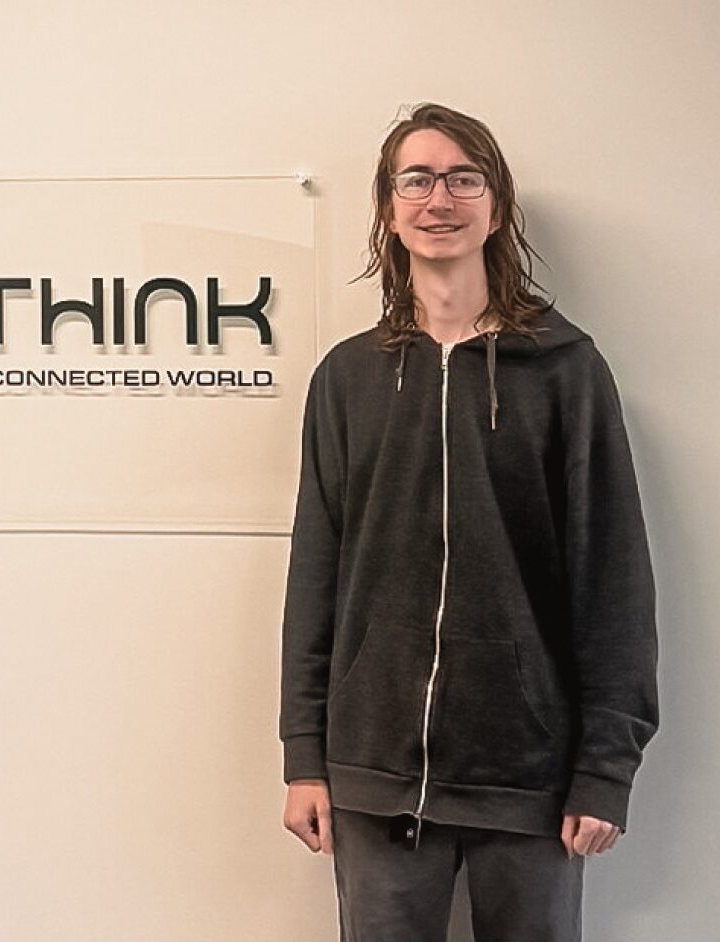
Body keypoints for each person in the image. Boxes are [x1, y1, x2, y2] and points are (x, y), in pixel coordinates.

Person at [278, 103, 659, 942]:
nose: (439, 199)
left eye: (463, 178)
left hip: (530, 779)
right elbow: (316, 576)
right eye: (416, 180)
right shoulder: (347, 379)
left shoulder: (566, 372)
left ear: (495, 207)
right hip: (373, 777)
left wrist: (605, 767)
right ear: (388, 209)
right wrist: (305, 755)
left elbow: (613, 581)